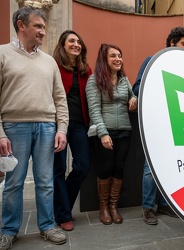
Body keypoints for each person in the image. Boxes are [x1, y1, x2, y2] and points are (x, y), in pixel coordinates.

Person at [0, 6, 68, 249]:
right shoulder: (2, 54)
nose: (42, 31)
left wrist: (62, 129)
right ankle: (8, 230)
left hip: (47, 127)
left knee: (46, 181)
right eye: (38, 26)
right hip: (14, 127)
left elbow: (60, 98)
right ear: (21, 25)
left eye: (43, 26)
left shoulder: (49, 61)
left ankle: (47, 226)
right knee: (14, 183)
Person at [133, 26, 184, 225]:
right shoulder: (152, 61)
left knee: (169, 167)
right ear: (172, 43)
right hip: (156, 123)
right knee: (150, 168)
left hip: (176, 125)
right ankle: (148, 207)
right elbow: (137, 87)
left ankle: (164, 204)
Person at [86, 43, 137, 225]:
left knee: (119, 168)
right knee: (105, 169)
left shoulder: (124, 79)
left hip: (124, 131)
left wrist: (133, 99)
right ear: (104, 60)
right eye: (113, 56)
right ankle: (103, 208)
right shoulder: (94, 80)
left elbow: (133, 95)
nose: (118, 59)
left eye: (119, 55)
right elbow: (94, 109)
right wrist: (103, 133)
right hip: (104, 132)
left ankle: (114, 207)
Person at [52, 30, 92, 231]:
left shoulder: (86, 70)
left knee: (83, 166)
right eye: (71, 41)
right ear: (63, 44)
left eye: (79, 41)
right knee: (57, 168)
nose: (76, 44)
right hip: (57, 123)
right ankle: (63, 214)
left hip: (79, 124)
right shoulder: (55, 67)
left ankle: (61, 205)